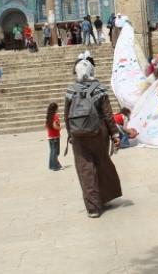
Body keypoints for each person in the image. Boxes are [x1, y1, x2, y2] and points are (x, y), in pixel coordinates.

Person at [64, 57, 122, 218]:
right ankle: (103, 198)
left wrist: (70, 134)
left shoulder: (70, 90)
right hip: (98, 133)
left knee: (85, 170)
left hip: (78, 137)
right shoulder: (100, 89)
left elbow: (66, 115)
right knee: (101, 164)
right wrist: (115, 134)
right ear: (91, 71)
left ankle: (93, 207)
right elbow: (108, 114)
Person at [45, 102, 63, 171]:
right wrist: (59, 128)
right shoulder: (55, 116)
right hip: (55, 136)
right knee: (56, 152)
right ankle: (55, 166)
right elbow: (55, 125)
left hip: (50, 136)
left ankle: (51, 165)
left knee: (52, 151)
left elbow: (46, 126)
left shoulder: (49, 116)